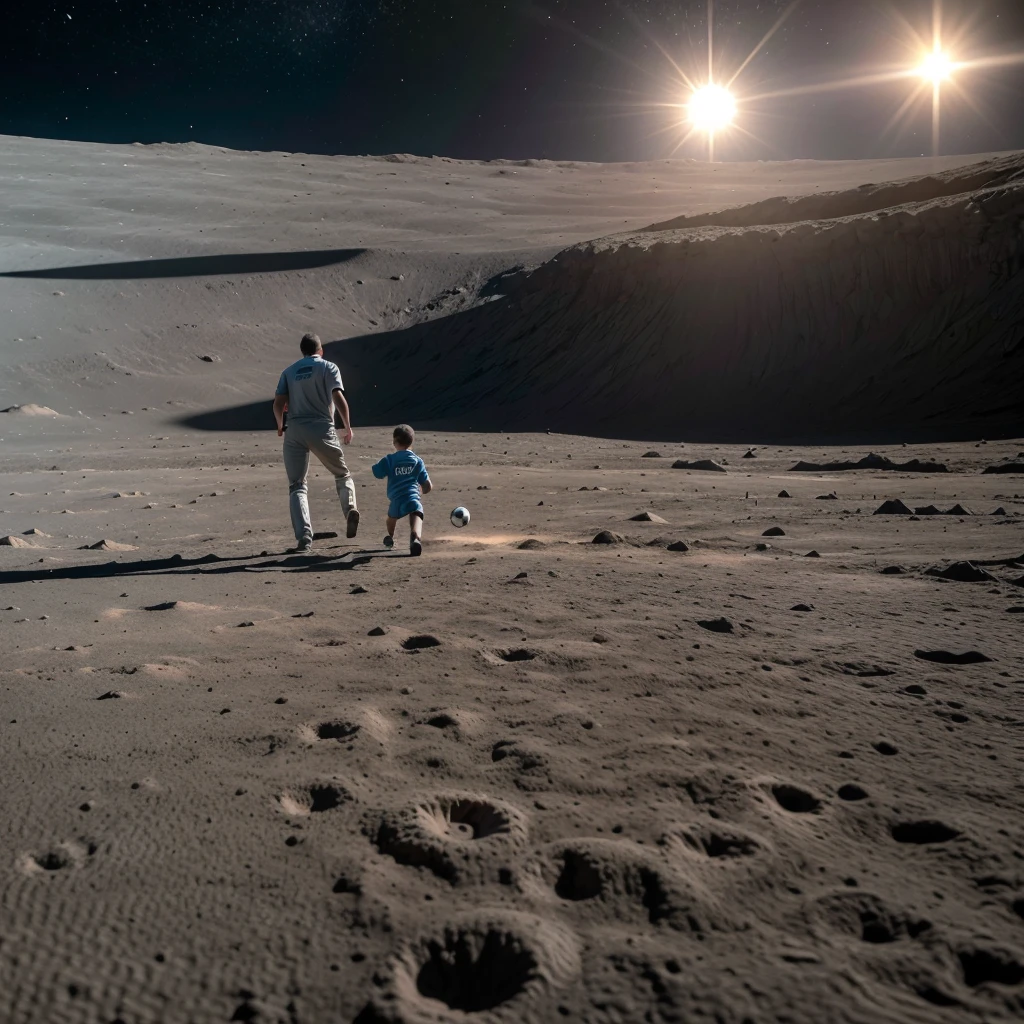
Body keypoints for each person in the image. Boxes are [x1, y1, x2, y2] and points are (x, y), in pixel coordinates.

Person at [273, 333, 358, 553]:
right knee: (341, 474)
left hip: (295, 430)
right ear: (321, 350)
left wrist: (280, 425)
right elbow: (338, 397)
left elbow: (278, 403)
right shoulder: (329, 367)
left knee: (297, 485)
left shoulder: (289, 372)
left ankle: (304, 537)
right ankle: (350, 510)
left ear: (302, 351)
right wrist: (347, 426)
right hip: (321, 427)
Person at [372, 424, 432, 556]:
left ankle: (390, 537)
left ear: (394, 442)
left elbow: (377, 472)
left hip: (396, 500)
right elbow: (427, 485)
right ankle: (416, 537)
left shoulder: (390, 460)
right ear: (412, 441)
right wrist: (422, 491)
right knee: (417, 513)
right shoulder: (417, 461)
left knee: (391, 519)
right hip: (413, 498)